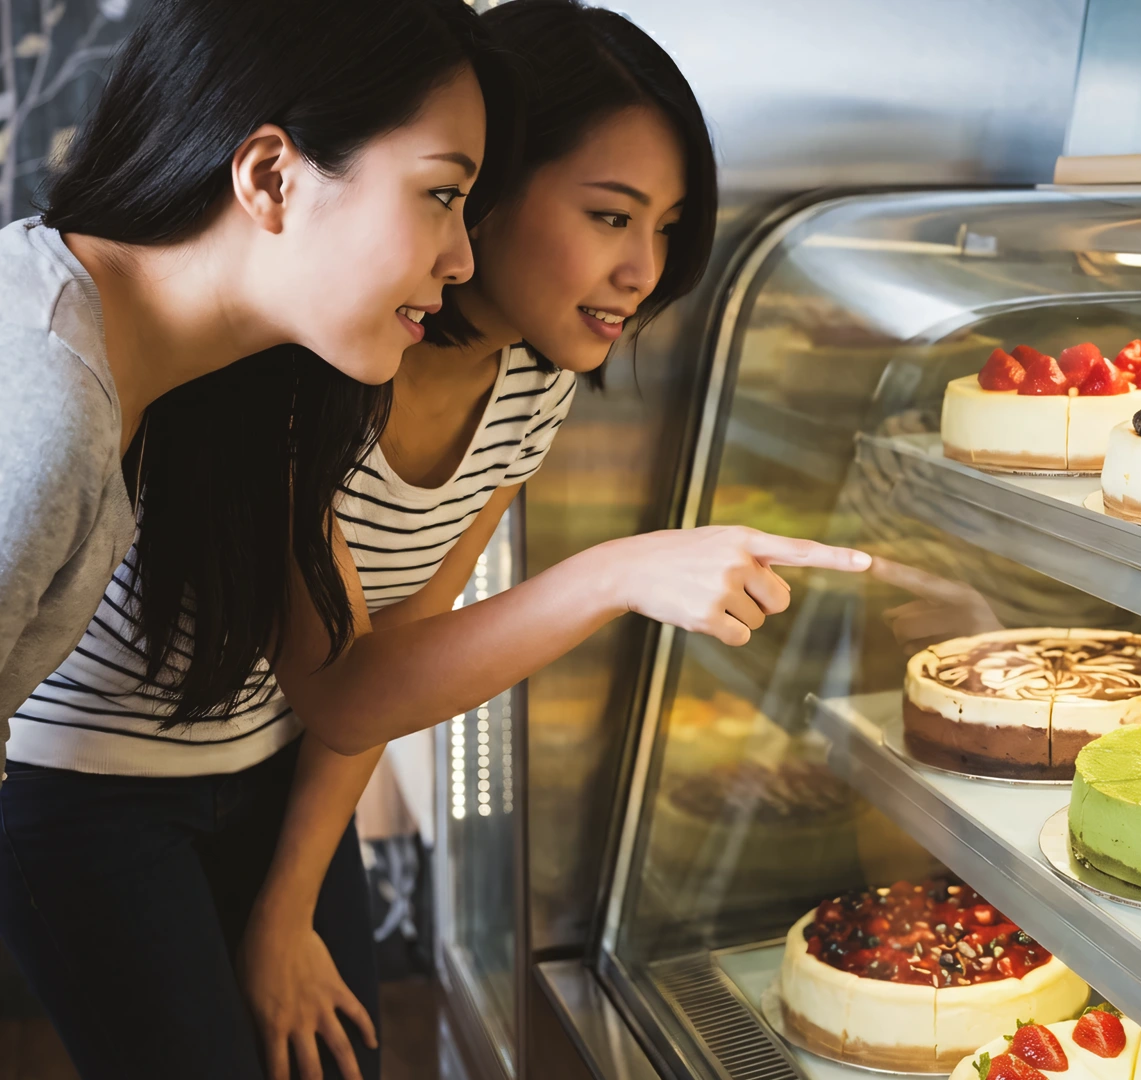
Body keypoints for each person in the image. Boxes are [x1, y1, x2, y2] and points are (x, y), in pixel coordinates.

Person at [0, 3, 869, 1079]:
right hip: (92, 783)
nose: (644, 270)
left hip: (263, 767)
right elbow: (348, 685)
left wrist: (286, 910)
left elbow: (394, 659)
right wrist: (619, 570)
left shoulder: (509, 381)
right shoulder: (230, 364)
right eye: (608, 217)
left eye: (665, 225)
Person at [0, 0, 520, 1076]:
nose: (464, 257)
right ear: (271, 177)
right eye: (439, 195)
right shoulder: (49, 400)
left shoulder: (131, 362)